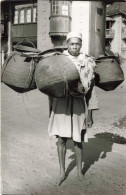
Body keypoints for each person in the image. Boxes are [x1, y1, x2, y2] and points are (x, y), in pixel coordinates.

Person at [48, 32, 98, 186]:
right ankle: (62, 172)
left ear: (81, 45)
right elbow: (50, 85)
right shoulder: (59, 60)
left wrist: (90, 113)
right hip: (61, 104)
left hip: (78, 104)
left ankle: (79, 172)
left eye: (78, 44)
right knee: (61, 139)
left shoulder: (88, 62)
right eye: (72, 43)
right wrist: (50, 109)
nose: (75, 46)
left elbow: (91, 90)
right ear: (67, 44)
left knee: (78, 139)